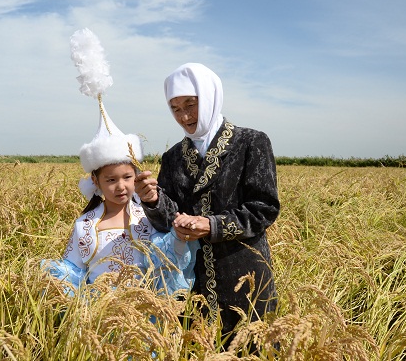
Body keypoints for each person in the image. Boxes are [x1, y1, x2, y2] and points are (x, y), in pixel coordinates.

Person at [134, 63, 280, 347]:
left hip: (244, 276)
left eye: (191, 104)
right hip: (193, 282)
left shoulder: (251, 143)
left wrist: (211, 225)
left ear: (210, 97)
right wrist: (152, 200)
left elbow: (264, 208)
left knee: (251, 348)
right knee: (198, 347)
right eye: (175, 108)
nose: (184, 116)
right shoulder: (173, 157)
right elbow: (168, 220)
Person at [42, 100, 198, 296]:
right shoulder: (85, 225)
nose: (121, 186)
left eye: (127, 177)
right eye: (111, 180)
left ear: (137, 177)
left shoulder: (147, 217)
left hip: (144, 313)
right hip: (101, 314)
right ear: (96, 181)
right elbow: (73, 273)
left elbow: (165, 260)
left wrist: (179, 234)